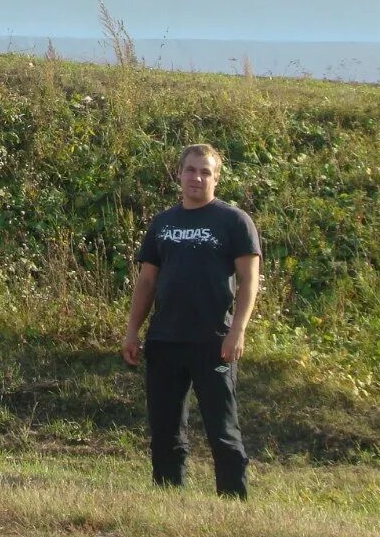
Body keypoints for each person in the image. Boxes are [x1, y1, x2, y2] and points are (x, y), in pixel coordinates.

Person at [122, 143, 262, 498]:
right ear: (178, 174)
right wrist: (132, 331)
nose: (196, 178)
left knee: (222, 429)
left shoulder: (234, 221)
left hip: (214, 341)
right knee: (165, 429)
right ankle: (170, 496)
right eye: (190, 170)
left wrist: (237, 331)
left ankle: (233, 500)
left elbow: (249, 281)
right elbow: (147, 281)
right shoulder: (163, 223)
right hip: (165, 340)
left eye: (205, 172)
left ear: (216, 178)